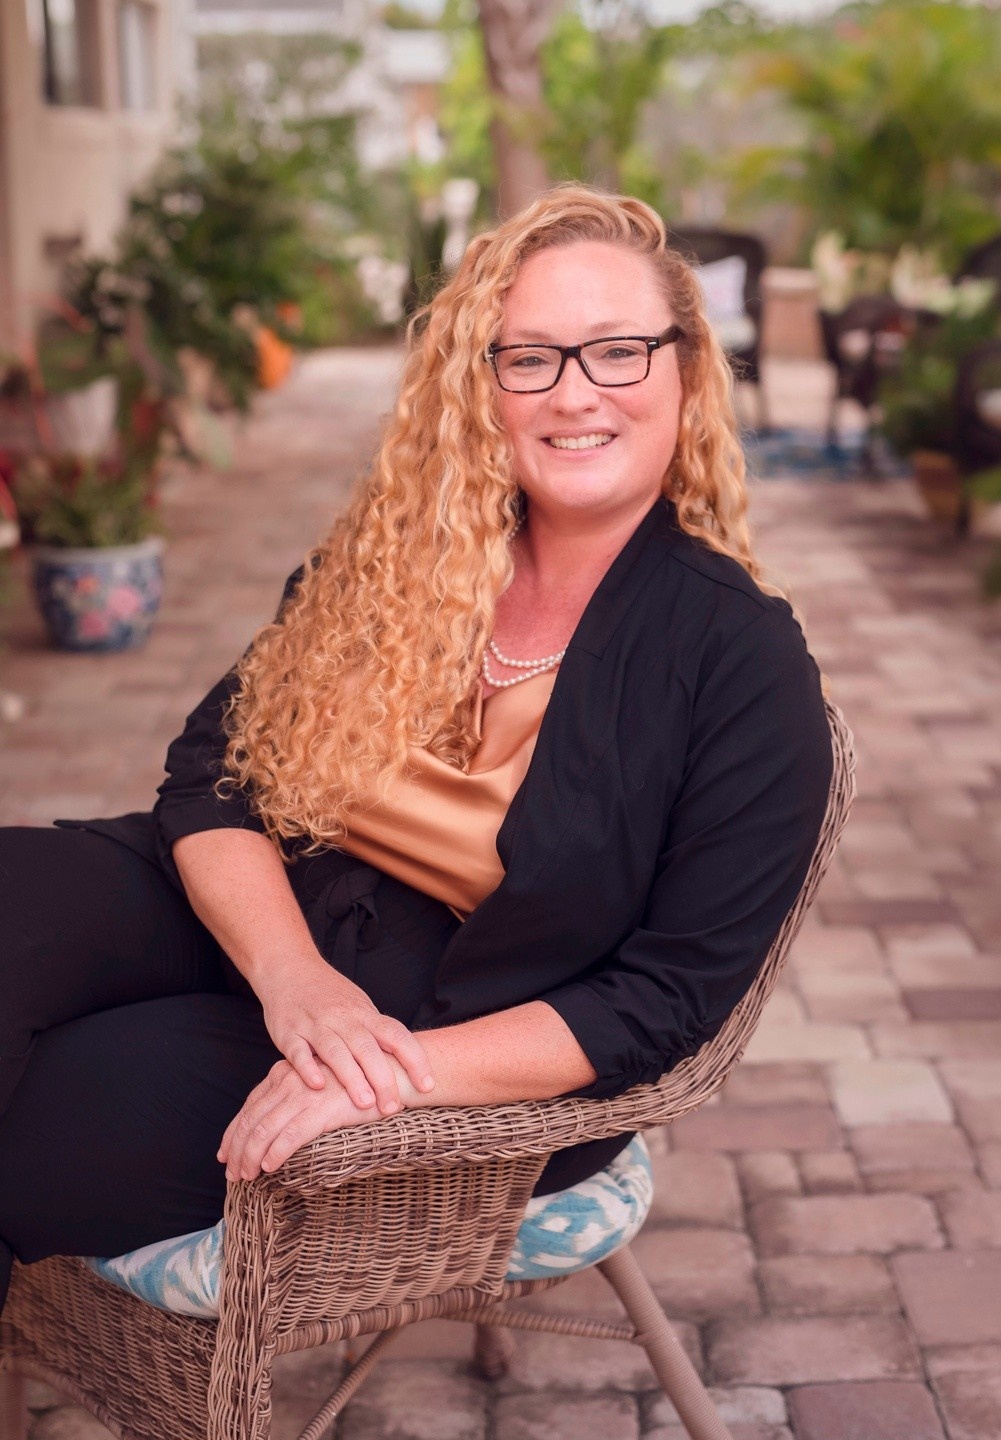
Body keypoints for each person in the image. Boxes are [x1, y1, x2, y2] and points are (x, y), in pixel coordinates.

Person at [0, 187, 833, 1312]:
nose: (573, 392)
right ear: (480, 386)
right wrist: (296, 981)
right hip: (262, 911)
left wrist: (384, 1073)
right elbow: (212, 776)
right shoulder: (405, 552)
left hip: (445, 1022)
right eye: (527, 358)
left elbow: (667, 999)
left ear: (684, 371)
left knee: (53, 1112)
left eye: (617, 350)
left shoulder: (738, 656)